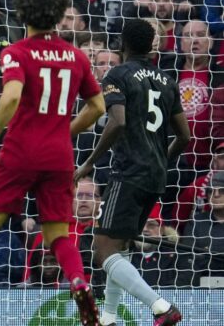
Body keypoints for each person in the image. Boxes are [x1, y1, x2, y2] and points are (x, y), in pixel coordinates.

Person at [0, 0, 106, 326]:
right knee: (58, 234)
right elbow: (97, 106)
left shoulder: (16, 52)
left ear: (22, 12)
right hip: (59, 156)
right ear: (59, 14)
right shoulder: (76, 56)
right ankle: (79, 283)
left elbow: (13, 95)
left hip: (20, 150)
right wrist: (64, 130)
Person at [74, 19, 190, 326]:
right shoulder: (168, 80)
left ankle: (162, 307)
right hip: (155, 176)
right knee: (120, 246)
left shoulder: (119, 74)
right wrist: (161, 161)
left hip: (128, 173)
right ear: (152, 45)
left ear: (122, 44)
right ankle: (109, 318)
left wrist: (88, 162)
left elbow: (118, 121)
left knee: (102, 249)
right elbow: (185, 137)